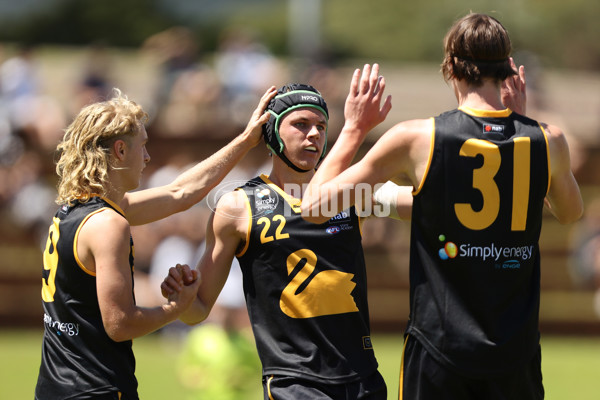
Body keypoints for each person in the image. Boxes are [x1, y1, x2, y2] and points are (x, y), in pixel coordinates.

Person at [301, 13, 583, 400]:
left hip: (439, 349)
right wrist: (523, 121)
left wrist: (353, 128)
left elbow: (314, 206)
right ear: (507, 68)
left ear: (451, 67)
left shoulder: (418, 138)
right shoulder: (548, 139)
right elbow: (569, 212)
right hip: (515, 351)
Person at [162, 64, 393, 399]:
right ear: (271, 133)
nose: (314, 133)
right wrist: (182, 300)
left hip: (363, 380)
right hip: (295, 383)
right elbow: (199, 308)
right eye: (300, 124)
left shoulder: (351, 194)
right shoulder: (237, 207)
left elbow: (416, 203)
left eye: (321, 126)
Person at [35, 86, 277, 399]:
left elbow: (180, 193)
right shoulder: (110, 224)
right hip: (95, 387)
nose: (148, 157)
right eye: (143, 147)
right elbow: (120, 324)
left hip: (54, 386)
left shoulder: (75, 211)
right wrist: (176, 307)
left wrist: (246, 141)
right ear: (120, 151)